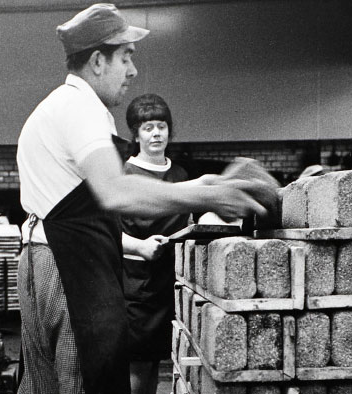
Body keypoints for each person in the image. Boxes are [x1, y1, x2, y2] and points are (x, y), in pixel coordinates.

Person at [16, 3, 271, 394]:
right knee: (82, 383)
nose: (132, 71)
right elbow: (117, 191)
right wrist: (217, 196)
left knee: (44, 386)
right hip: (68, 268)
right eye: (126, 57)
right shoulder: (81, 108)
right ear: (98, 61)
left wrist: (206, 185)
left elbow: (104, 192)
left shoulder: (58, 106)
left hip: (48, 260)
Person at [121, 93, 190, 394]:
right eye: (148, 127)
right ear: (135, 134)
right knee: (137, 364)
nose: (156, 133)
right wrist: (140, 246)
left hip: (169, 285)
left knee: (156, 364)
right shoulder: (123, 175)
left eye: (161, 126)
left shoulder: (180, 175)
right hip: (135, 287)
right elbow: (106, 233)